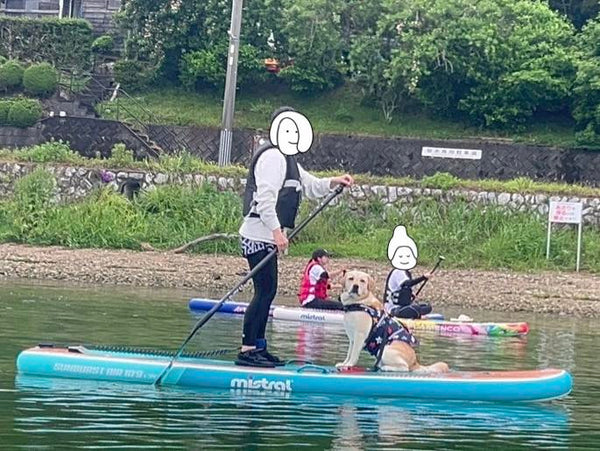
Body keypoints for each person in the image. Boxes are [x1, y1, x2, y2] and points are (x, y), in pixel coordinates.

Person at [236, 106, 354, 368]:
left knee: (268, 292)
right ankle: (247, 350)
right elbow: (264, 200)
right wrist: (278, 232)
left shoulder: (287, 158)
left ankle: (259, 346)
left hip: (268, 236)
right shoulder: (272, 158)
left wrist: (335, 181)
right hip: (258, 235)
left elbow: (310, 186)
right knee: (264, 292)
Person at [383, 225, 433, 319]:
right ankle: (416, 315)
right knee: (414, 309)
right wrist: (423, 277)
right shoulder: (398, 271)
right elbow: (407, 283)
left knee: (427, 307)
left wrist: (410, 295)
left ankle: (416, 314)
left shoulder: (406, 272)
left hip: (403, 307)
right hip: (393, 309)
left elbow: (405, 290)